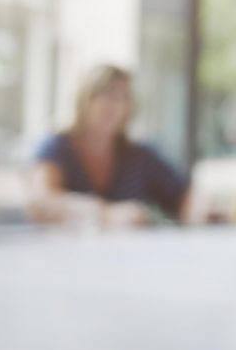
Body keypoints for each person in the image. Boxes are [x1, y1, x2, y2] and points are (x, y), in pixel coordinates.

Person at [28, 64, 195, 228]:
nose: (116, 105)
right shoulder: (56, 147)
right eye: (107, 95)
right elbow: (41, 202)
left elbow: (182, 196)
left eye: (124, 97)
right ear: (85, 99)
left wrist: (201, 210)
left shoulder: (140, 156)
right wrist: (105, 213)